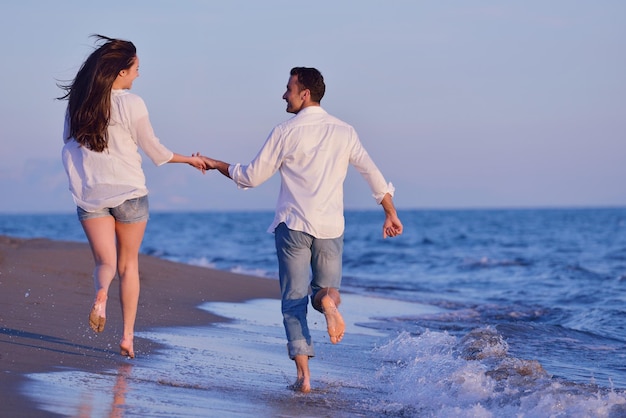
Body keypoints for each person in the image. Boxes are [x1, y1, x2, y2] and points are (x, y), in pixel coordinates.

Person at [197, 67, 403, 392]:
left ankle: (304, 378)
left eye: (288, 89)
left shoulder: (285, 131)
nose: (284, 95)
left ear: (304, 93)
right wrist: (389, 213)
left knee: (293, 301)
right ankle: (329, 305)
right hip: (330, 226)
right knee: (326, 291)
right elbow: (372, 174)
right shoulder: (345, 131)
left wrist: (215, 163)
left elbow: (250, 176)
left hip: (292, 225)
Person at [58, 35, 206, 359]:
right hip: (130, 194)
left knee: (105, 263)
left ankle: (100, 295)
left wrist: (82, 186)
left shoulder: (78, 104)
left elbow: (68, 149)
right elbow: (156, 152)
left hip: (91, 195)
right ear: (121, 72)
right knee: (129, 266)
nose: (138, 74)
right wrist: (190, 159)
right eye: (136, 68)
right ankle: (127, 337)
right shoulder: (132, 103)